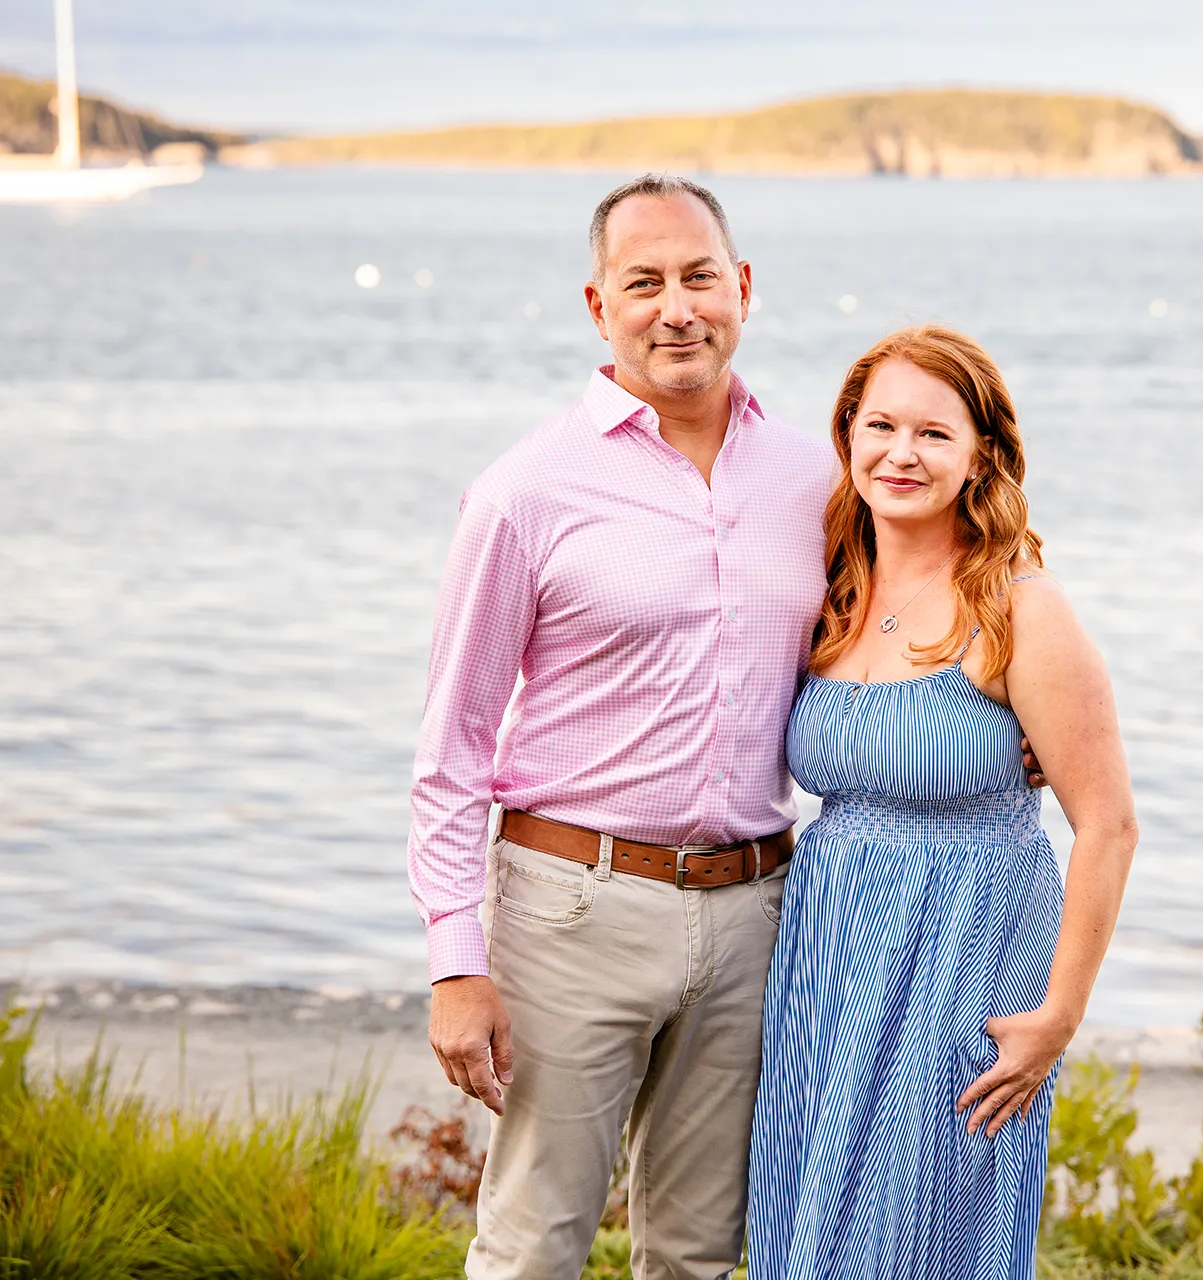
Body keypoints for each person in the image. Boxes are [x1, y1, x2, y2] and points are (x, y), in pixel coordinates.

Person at [405, 173, 831, 1280]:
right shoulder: (525, 491)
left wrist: (1008, 713)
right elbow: (450, 750)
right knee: (534, 1244)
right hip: (571, 912)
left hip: (754, 914)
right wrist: (457, 959)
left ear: (742, 289)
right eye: (643, 282)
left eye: (698, 276)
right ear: (599, 306)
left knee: (696, 1252)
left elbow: (901, 626)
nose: (675, 306)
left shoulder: (817, 477)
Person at [746, 326, 1138, 1280]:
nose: (902, 453)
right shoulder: (830, 587)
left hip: (964, 962)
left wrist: (1059, 1016)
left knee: (923, 1236)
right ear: (847, 438)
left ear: (981, 457)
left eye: (933, 433)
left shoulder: (1019, 606)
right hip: (824, 965)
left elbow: (1109, 825)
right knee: (805, 1231)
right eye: (880, 425)